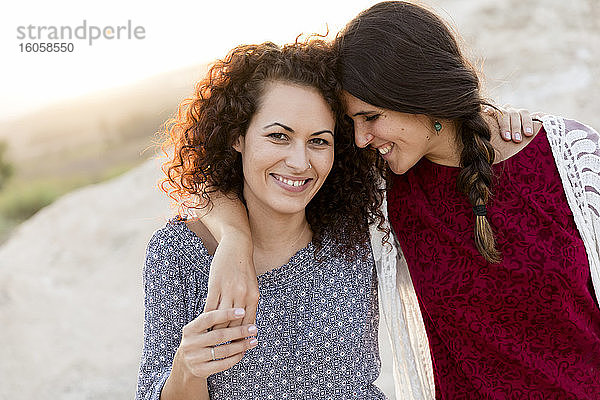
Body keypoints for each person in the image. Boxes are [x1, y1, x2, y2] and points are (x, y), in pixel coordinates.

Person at [198, 2, 600, 399]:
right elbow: (219, 180)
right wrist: (235, 241)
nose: (360, 138)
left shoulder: (570, 157)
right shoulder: (379, 186)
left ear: (419, 93)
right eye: (352, 122)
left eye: (371, 116)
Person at [135, 38, 390, 399]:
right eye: (278, 136)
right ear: (238, 136)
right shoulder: (179, 254)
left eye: (319, 141)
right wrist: (187, 369)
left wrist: (486, 124)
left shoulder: (357, 236)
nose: (300, 163)